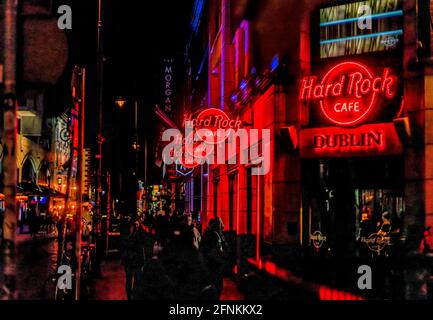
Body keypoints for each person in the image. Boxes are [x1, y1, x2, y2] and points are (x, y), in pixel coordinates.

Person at [200, 218, 228, 298]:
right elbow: (223, 249)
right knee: (216, 286)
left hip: (210, 264)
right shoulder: (217, 236)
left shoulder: (207, 234)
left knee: (213, 287)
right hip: (215, 264)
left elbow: (202, 249)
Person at [121, 216, 146, 300]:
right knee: (129, 278)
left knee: (136, 278)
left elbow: (142, 242)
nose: (136, 226)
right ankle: (130, 295)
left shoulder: (139, 233)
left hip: (135, 259)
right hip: (130, 258)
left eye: (138, 224)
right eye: (135, 224)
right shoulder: (128, 232)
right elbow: (125, 244)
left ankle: (134, 295)